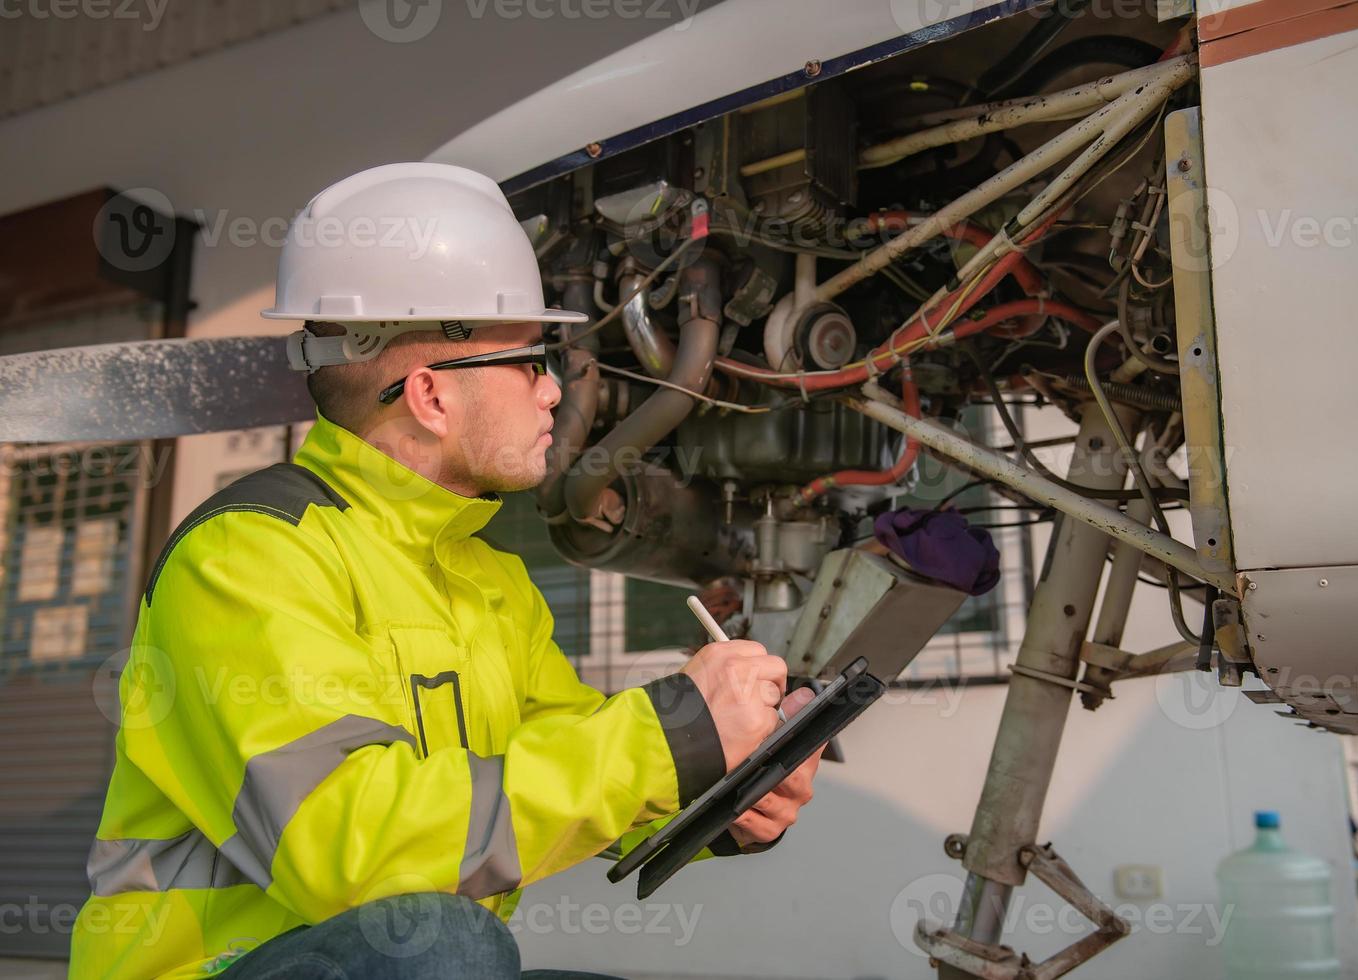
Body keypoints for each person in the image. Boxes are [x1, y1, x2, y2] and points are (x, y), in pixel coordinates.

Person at [72, 163, 821, 979]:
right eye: (535, 361)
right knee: (441, 941)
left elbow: (567, 777)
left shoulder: (490, 582)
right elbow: (349, 855)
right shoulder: (248, 556)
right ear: (430, 396)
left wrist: (718, 789)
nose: (553, 394)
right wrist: (669, 735)